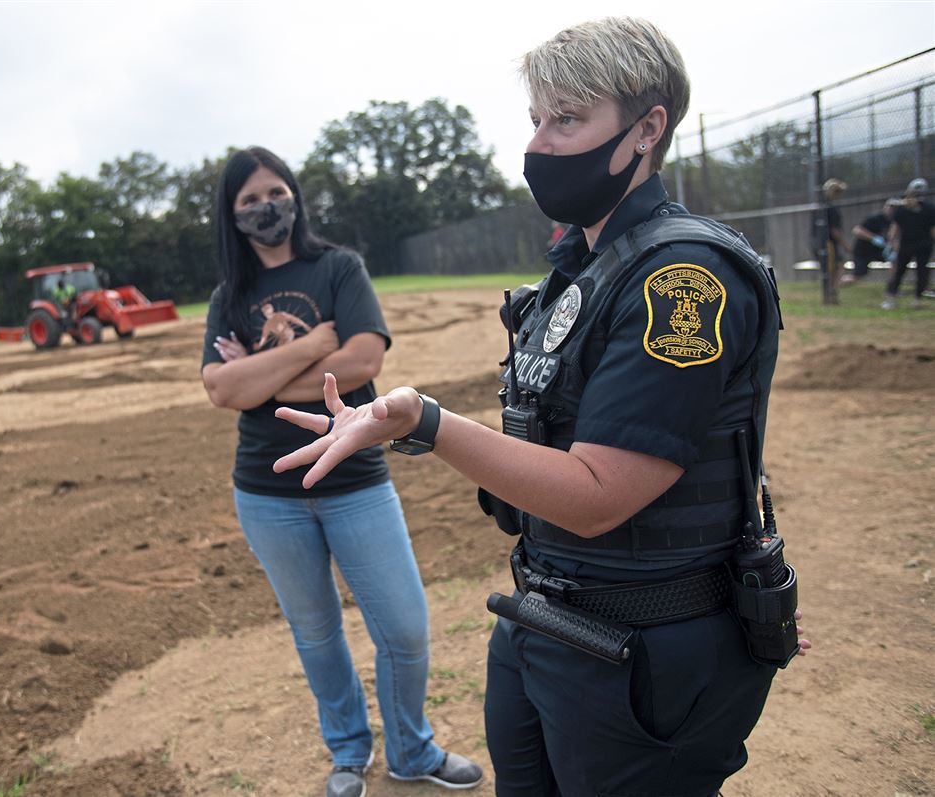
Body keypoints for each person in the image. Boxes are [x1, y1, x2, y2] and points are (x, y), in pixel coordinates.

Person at [273, 18, 810, 797]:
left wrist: (423, 420)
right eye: (536, 119)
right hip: (546, 617)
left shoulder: (681, 278)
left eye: (568, 119)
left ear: (646, 129)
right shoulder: (579, 271)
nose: (541, 144)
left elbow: (597, 495)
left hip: (643, 646)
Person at [199, 147, 483, 797]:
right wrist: (314, 342)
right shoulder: (230, 296)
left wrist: (260, 375)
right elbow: (220, 391)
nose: (264, 206)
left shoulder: (338, 267)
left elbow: (362, 359)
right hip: (267, 491)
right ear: (231, 213)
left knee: (406, 627)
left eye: (274, 191)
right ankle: (349, 751)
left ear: (294, 196)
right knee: (317, 632)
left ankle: (413, 750)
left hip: (355, 478)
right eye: (248, 200)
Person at [882, 177, 935, 310]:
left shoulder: (929, 209)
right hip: (907, 244)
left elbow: (933, 229)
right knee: (900, 270)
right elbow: (895, 228)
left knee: (922, 272)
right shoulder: (902, 209)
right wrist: (891, 244)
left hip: (924, 245)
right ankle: (891, 298)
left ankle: (917, 300)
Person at [844, 199, 899, 285]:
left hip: (878, 250)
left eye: (894, 208)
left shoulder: (894, 221)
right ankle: (837, 285)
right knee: (859, 274)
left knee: (895, 260)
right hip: (863, 250)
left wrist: (891, 246)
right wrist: (873, 238)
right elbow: (857, 230)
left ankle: (893, 287)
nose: (892, 210)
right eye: (890, 207)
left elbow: (893, 236)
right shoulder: (874, 218)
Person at [814, 177, 848, 304]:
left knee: (832, 268)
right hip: (828, 243)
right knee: (836, 267)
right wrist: (846, 246)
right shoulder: (830, 208)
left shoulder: (820, 206)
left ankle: (830, 294)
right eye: (838, 192)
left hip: (819, 242)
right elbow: (835, 231)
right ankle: (831, 292)